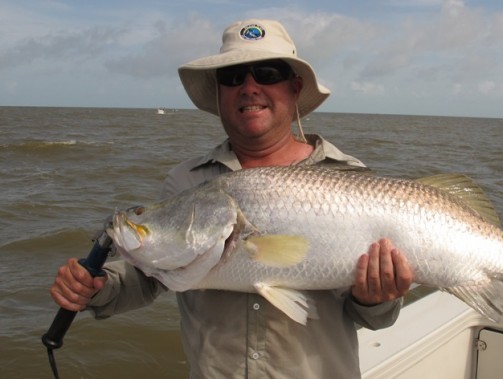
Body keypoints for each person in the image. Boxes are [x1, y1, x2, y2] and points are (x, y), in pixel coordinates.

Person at [50, 19, 415, 378]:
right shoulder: (186, 180)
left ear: (294, 88)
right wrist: (97, 287)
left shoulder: (350, 176)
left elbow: (375, 319)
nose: (250, 87)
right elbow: (155, 273)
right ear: (219, 92)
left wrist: (376, 297)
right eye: (233, 76)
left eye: (268, 73)